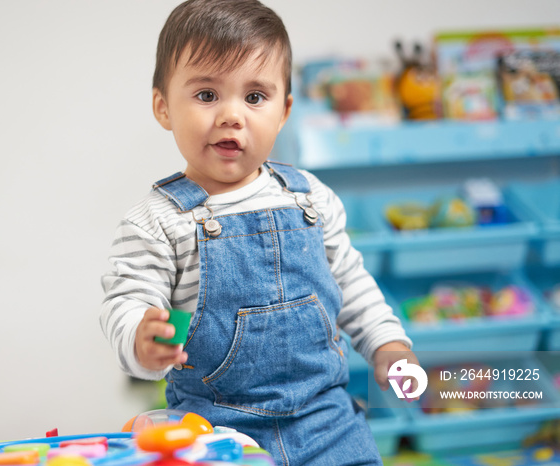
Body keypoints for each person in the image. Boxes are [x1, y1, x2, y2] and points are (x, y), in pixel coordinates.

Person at [101, 1, 417, 464]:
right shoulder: (155, 222)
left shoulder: (311, 199)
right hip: (214, 433)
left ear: (284, 110)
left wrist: (388, 343)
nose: (232, 115)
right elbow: (125, 301)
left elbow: (350, 283)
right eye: (207, 95)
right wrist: (139, 338)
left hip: (327, 421)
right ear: (163, 106)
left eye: (254, 97)